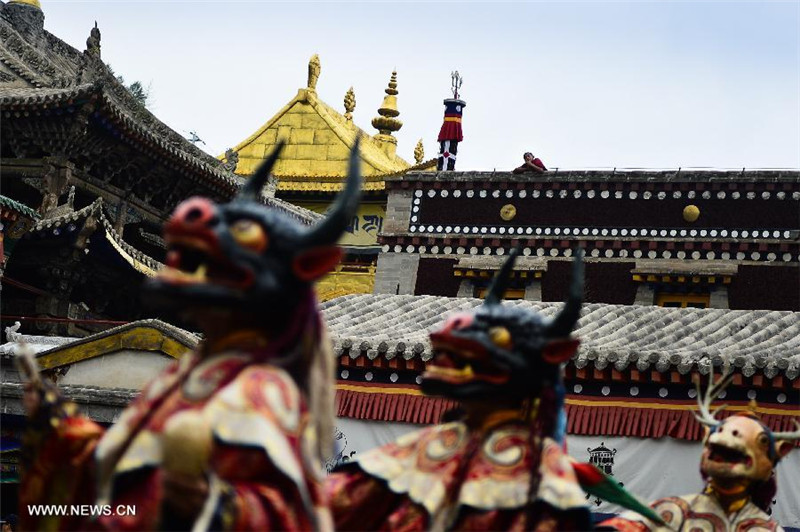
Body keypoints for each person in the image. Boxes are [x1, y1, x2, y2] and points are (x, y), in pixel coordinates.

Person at [17, 141, 363, 530]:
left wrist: (209, 502)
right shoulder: (190, 376)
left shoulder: (268, 392)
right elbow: (118, 488)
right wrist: (64, 426)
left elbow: (295, 511)